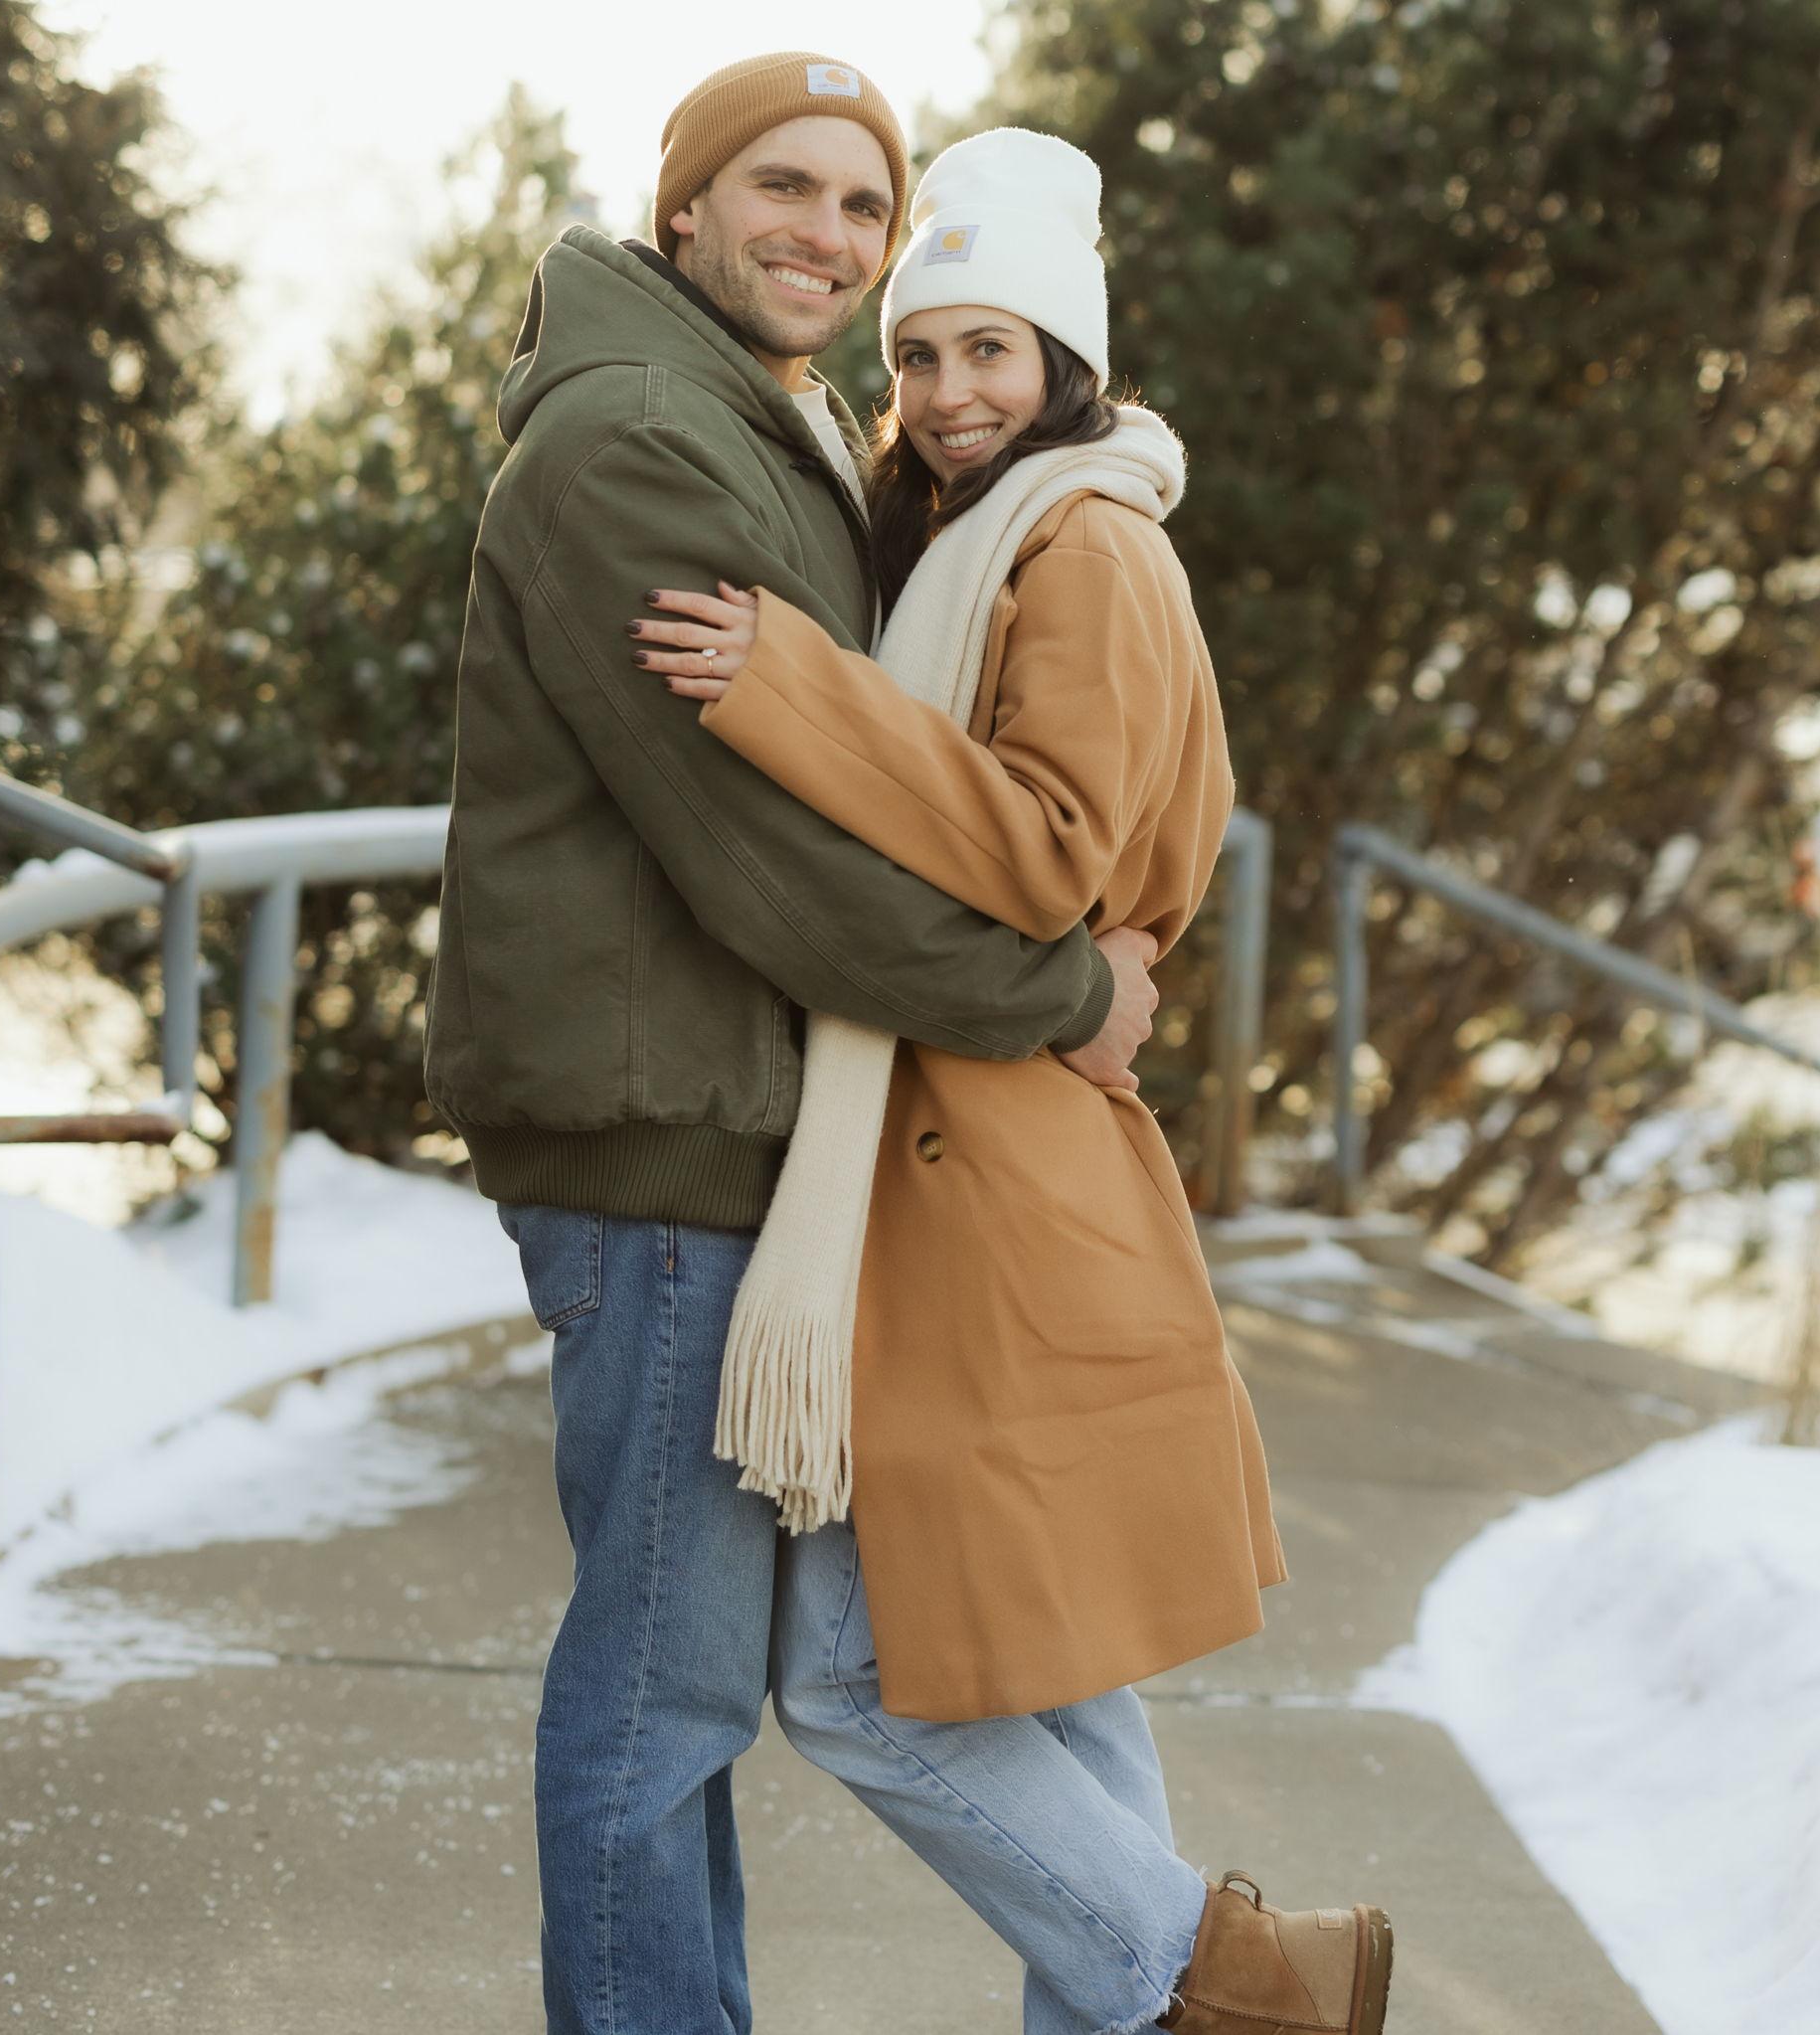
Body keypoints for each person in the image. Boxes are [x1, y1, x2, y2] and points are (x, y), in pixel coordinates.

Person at [420, 57, 1166, 2035]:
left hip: (751, 1145)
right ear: (684, 210)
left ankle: (1157, 1972)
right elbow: (782, 856)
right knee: (664, 1695)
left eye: (862, 204)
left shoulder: (793, 424)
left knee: (787, 1675)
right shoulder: (633, 444)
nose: (823, 236)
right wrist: (1067, 996)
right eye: (781, 188)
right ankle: (1189, 1972)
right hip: (661, 1146)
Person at [631, 128, 1394, 2034]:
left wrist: (789, 688)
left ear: (1070, 361)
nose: (952, 396)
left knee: (865, 1686)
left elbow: (1052, 847)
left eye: (994, 353)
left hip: (1005, 1164)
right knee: (1051, 1667)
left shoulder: (1091, 548)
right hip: (972, 1145)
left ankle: (1225, 1987)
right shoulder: (976, 542)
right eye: (922, 354)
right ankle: (1204, 1999)